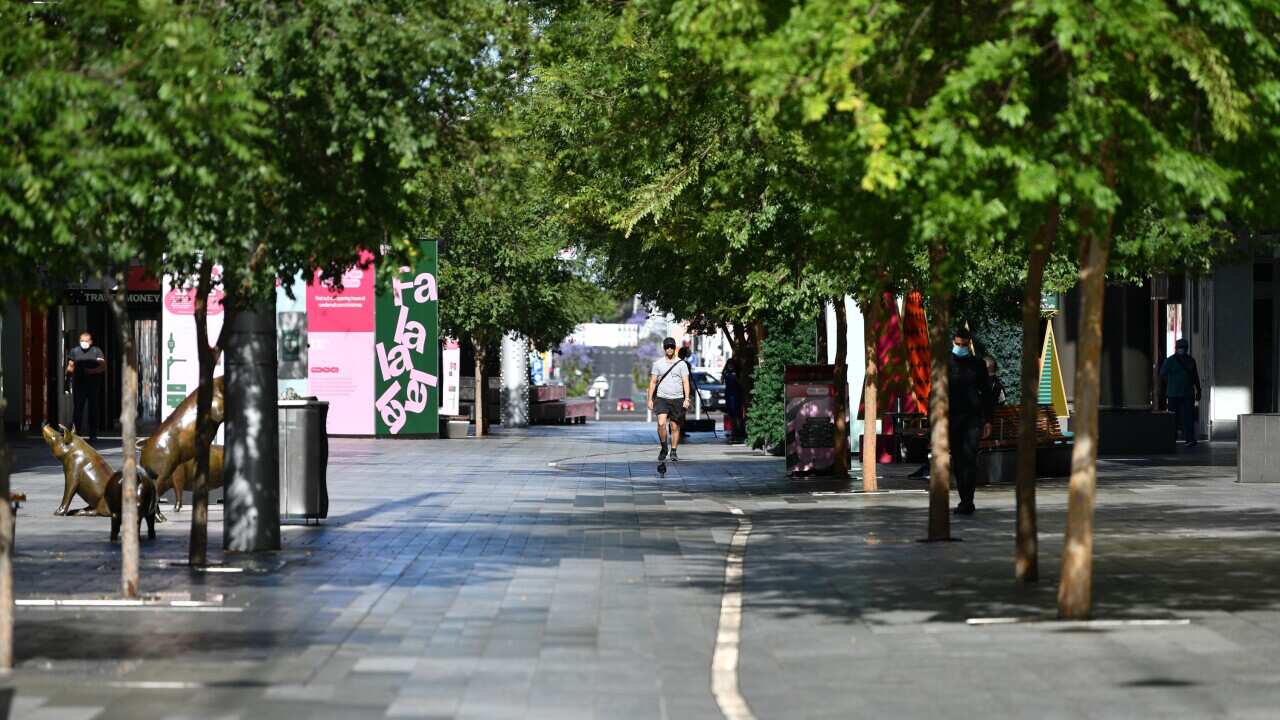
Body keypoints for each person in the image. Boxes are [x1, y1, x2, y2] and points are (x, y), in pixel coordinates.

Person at [950, 328, 993, 515]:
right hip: (953, 419)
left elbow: (987, 393)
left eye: (964, 344)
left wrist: (988, 420)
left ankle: (968, 500)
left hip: (972, 420)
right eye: (957, 344)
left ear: (969, 345)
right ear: (953, 342)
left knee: (970, 459)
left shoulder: (977, 364)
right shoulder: (946, 363)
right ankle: (965, 499)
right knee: (958, 461)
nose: (960, 347)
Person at [648, 337, 691, 462]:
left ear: (674, 347)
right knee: (661, 423)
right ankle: (664, 447)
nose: (669, 349)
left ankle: (673, 450)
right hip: (662, 398)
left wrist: (687, 398)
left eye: (672, 346)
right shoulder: (658, 364)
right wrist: (650, 399)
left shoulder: (681, 364)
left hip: (677, 398)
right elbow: (653, 382)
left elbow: (686, 382)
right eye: (667, 346)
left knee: (674, 426)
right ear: (664, 348)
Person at [66, 331, 107, 442]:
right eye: (82, 341)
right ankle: (76, 433)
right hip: (79, 384)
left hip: (93, 385)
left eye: (86, 341)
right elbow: (70, 366)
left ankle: (93, 434)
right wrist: (68, 376)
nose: (84, 342)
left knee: (93, 409)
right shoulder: (74, 351)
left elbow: (102, 366)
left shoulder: (96, 351)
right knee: (78, 409)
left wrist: (92, 371)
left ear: (91, 342)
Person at [1160, 338, 1202, 447]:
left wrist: (1199, 390)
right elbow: (1162, 374)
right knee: (1173, 418)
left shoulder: (1191, 361)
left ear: (1186, 349)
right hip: (1173, 394)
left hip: (1187, 394)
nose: (1181, 350)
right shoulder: (1170, 361)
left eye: (1183, 348)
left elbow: (1195, 376)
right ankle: (1172, 438)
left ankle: (1189, 439)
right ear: (1176, 348)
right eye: (1180, 348)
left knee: (1188, 417)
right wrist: (1170, 384)